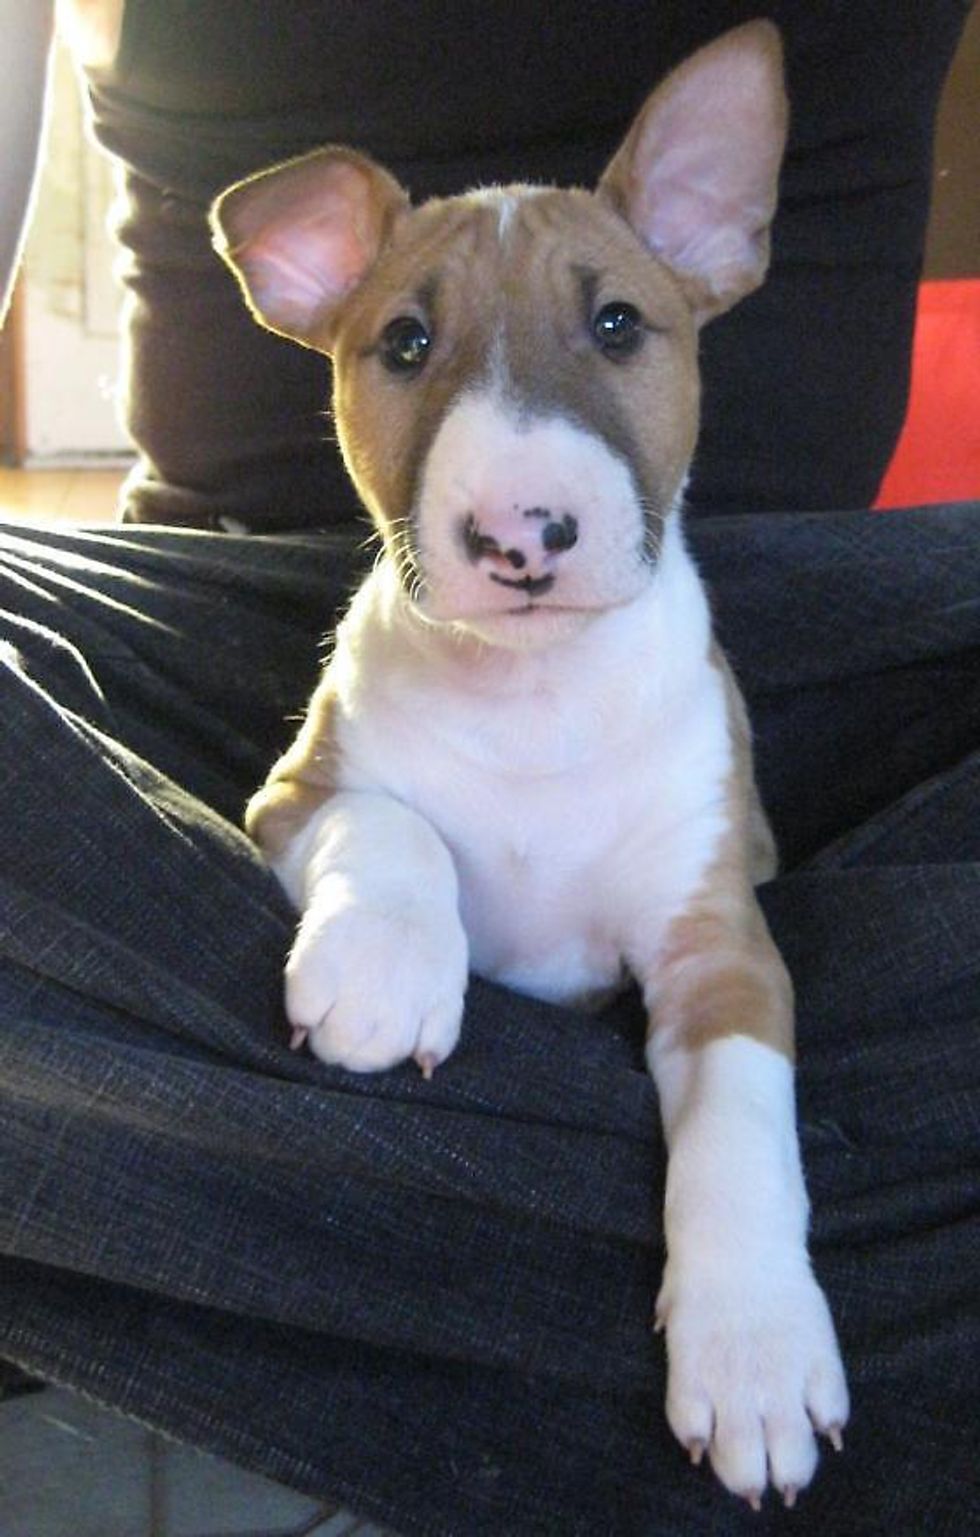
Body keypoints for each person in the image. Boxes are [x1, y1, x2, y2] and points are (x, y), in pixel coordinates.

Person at [1, 3, 977, 1533]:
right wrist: (375, 855)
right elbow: (293, 805)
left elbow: (714, 952)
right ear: (304, 284)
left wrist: (742, 1250)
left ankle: (266, 1247)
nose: (520, 503)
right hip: (223, 593)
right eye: (409, 343)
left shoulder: (685, 706)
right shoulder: (374, 684)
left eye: (614, 330)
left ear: (712, 243)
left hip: (811, 601)